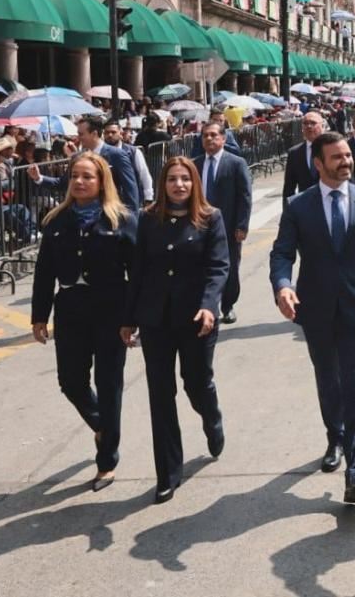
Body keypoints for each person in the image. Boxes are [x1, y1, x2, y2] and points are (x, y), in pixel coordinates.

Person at [271, 132, 355, 504]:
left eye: (347, 155)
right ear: (318, 163)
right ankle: (335, 438)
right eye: (337, 157)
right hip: (316, 309)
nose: (346, 162)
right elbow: (281, 254)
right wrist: (283, 286)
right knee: (329, 381)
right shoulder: (299, 206)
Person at [122, 157, 229, 503]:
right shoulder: (148, 219)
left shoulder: (211, 218)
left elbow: (218, 267)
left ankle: (211, 418)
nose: (179, 185)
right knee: (160, 393)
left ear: (194, 183)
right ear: (163, 183)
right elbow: (137, 270)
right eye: (172, 179)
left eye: (185, 179)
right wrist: (129, 318)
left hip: (197, 318)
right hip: (156, 319)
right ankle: (168, 471)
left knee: (196, 383)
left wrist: (209, 306)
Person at [30, 153, 137, 492]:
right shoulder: (56, 220)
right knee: (71, 381)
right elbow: (44, 272)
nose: (79, 182)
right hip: (71, 310)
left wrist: (132, 319)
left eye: (87, 176)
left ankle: (107, 461)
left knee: (109, 385)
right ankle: (103, 427)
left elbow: (136, 275)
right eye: (75, 175)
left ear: (101, 181)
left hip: (111, 312)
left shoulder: (120, 219)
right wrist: (38, 316)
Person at [194, 123, 251, 325]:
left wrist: (242, 226)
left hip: (228, 225)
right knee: (201, 266)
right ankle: (208, 304)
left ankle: (227, 305)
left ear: (223, 139)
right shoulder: (195, 164)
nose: (209, 139)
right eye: (205, 136)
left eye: (213, 135)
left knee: (229, 267)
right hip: (200, 225)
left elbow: (245, 196)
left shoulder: (236, 163)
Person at [284, 110, 327, 197]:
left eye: (313, 123)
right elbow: (289, 187)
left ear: (322, 126)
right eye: (305, 123)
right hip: (305, 205)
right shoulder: (294, 153)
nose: (309, 126)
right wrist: (288, 209)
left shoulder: (332, 149)